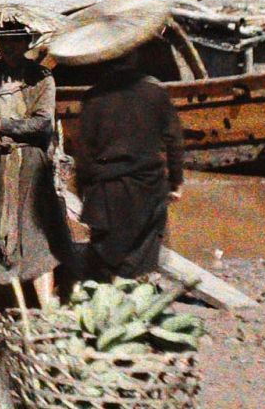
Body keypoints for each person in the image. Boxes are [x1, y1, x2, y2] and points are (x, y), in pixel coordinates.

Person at [0, 18, 71, 306]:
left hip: (28, 166)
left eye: (15, 41)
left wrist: (1, 125)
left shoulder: (41, 77)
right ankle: (4, 302)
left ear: (27, 43)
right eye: (3, 41)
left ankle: (46, 306)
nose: (8, 47)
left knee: (35, 232)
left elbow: (42, 124)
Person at [70, 48, 186, 280]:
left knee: (106, 261)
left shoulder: (93, 97)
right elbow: (174, 141)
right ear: (134, 57)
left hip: (106, 192)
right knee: (140, 259)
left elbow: (82, 152)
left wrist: (84, 192)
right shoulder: (155, 93)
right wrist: (176, 182)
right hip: (147, 188)